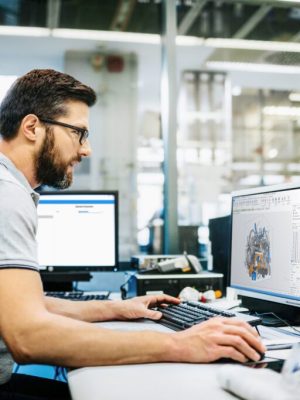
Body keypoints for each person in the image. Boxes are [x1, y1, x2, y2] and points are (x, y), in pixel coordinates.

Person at [0, 69, 265, 400]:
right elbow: (29, 336)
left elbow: (25, 309)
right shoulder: (6, 195)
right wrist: (181, 344)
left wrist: (117, 309)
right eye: (79, 133)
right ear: (32, 127)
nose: (86, 150)